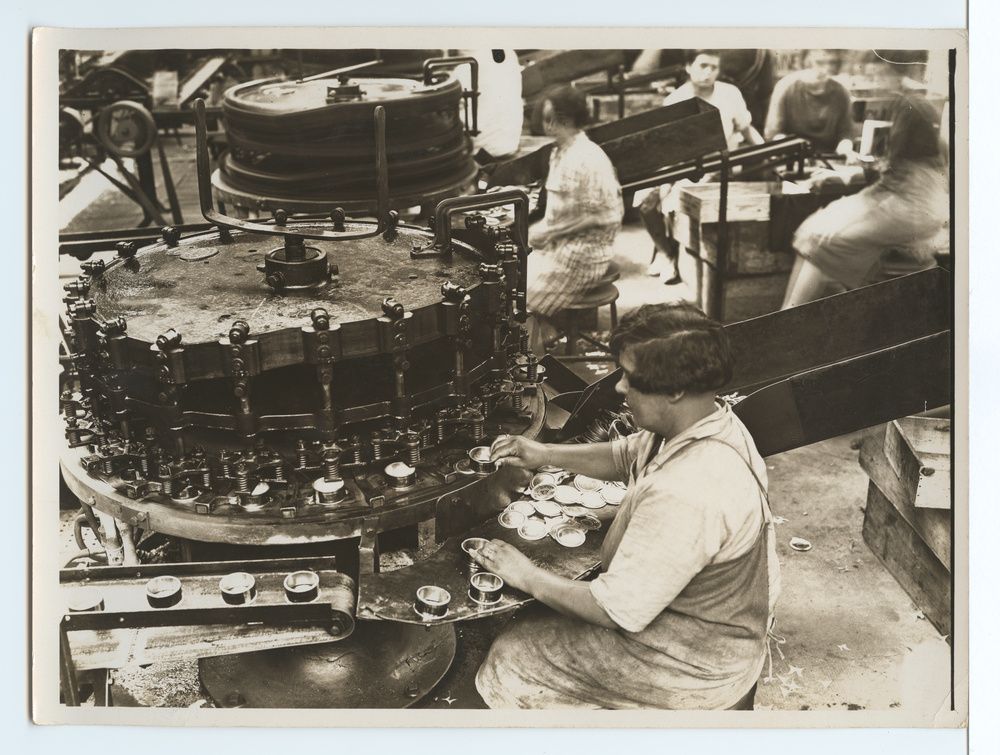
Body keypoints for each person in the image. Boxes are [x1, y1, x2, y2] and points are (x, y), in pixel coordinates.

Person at [473, 303, 781, 709]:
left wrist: (524, 574)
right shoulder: (708, 419)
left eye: (630, 378)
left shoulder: (690, 489)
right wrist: (543, 453)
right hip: (711, 621)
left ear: (675, 390)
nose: (618, 387)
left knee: (514, 653)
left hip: (694, 661)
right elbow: (626, 454)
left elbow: (612, 610)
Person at [782, 94, 948, 308]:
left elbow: (894, 178)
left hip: (909, 210)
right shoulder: (933, 140)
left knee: (820, 239)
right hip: (915, 206)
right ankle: (795, 309)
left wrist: (847, 176)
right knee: (814, 229)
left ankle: (791, 311)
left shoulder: (909, 139)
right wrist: (846, 175)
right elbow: (890, 173)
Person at [642, 50, 764, 284]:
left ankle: (676, 259)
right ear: (689, 67)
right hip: (683, 163)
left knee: (677, 198)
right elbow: (667, 146)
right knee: (645, 199)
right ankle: (665, 253)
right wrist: (665, 178)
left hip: (719, 165)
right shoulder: (675, 100)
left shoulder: (729, 94)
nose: (708, 73)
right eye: (703, 65)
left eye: (714, 68)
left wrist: (769, 152)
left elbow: (747, 130)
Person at [525, 85, 623, 353]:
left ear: (564, 121)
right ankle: (542, 336)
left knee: (516, 300)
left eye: (548, 119)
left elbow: (608, 215)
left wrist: (554, 232)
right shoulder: (560, 151)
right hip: (558, 248)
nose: (544, 125)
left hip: (584, 254)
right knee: (507, 281)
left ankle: (531, 368)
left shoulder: (587, 158)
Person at [764, 49, 854, 155]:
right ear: (806, 61)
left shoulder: (841, 92)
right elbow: (773, 134)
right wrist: (792, 151)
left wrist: (845, 149)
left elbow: (846, 134)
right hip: (792, 157)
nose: (826, 69)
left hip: (829, 158)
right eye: (819, 63)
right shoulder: (785, 87)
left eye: (832, 63)